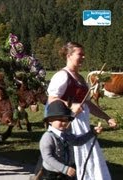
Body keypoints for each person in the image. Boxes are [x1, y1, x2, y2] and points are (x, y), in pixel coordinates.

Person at [47, 42, 117, 180]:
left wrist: (106, 117)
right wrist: (70, 105)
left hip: (82, 125)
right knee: (74, 160)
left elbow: (88, 104)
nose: (83, 57)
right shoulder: (62, 76)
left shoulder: (79, 77)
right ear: (69, 56)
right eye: (80, 54)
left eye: (84, 54)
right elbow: (51, 99)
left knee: (88, 158)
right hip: (69, 126)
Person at [40, 100, 102, 180]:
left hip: (68, 172)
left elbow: (78, 141)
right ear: (50, 121)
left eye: (66, 119)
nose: (64, 122)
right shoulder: (48, 137)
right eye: (60, 119)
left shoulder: (67, 134)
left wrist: (92, 133)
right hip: (52, 174)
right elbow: (47, 157)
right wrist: (64, 169)